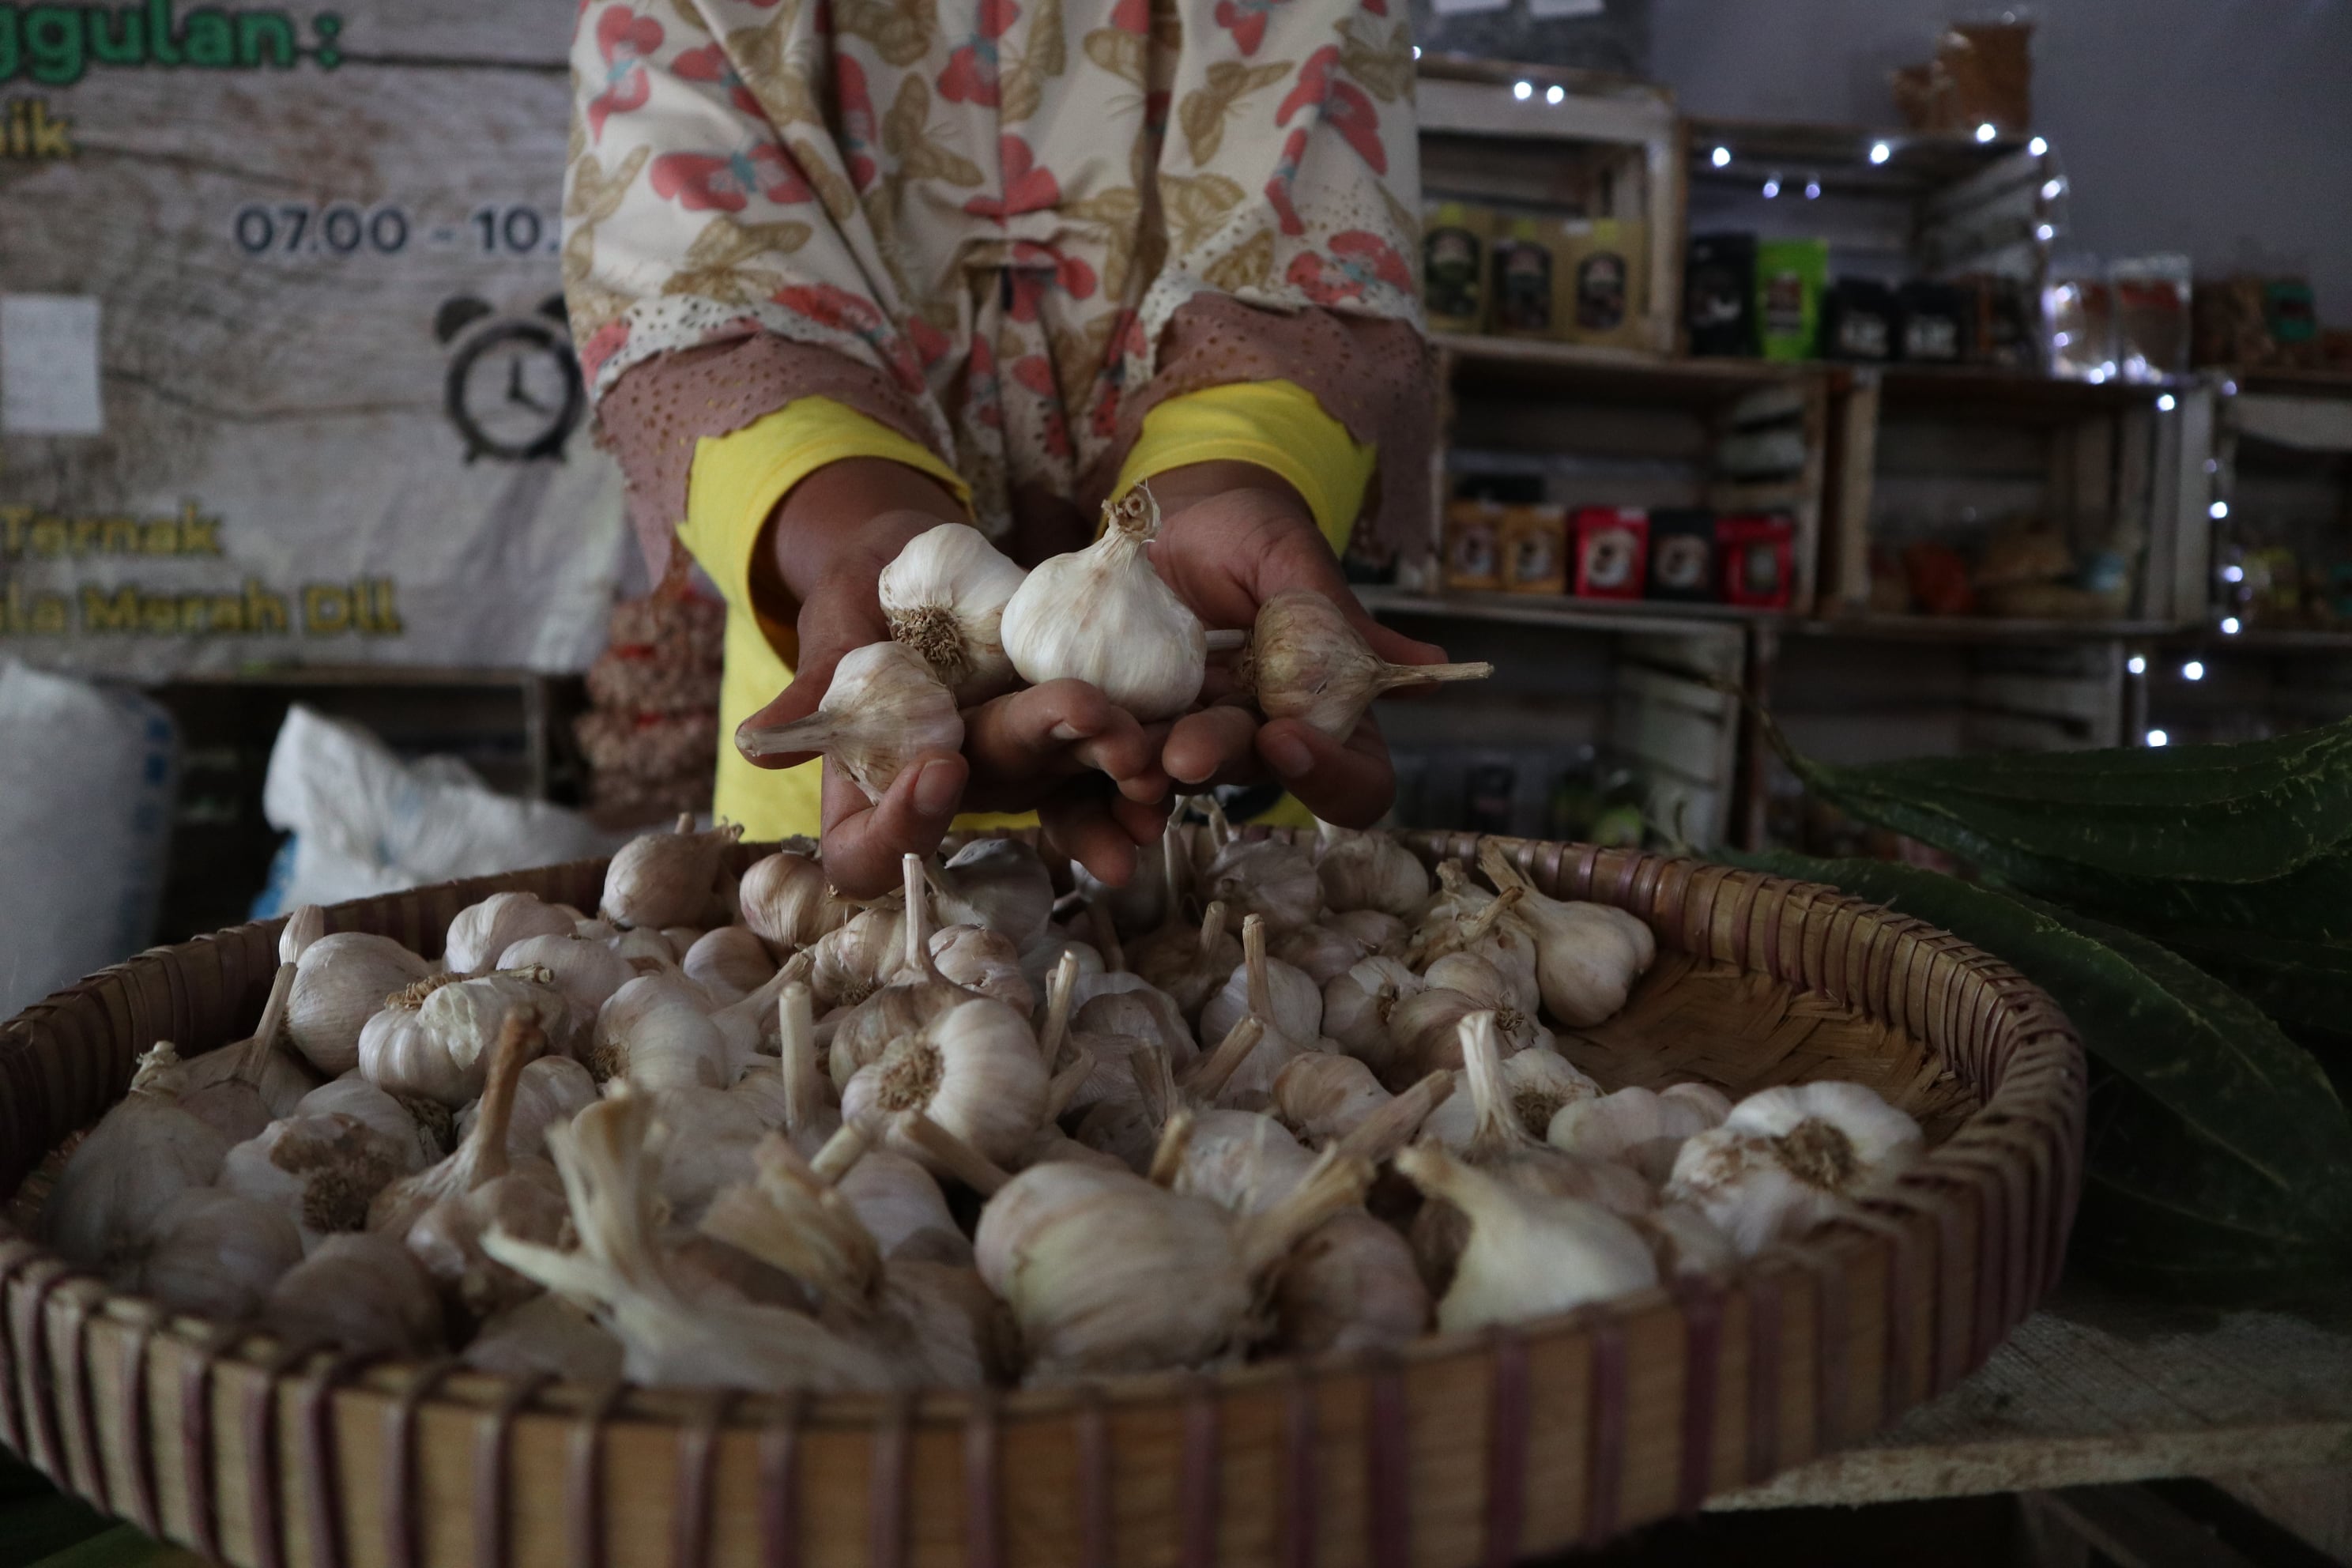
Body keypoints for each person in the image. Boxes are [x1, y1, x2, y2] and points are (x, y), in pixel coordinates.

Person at [567, 0, 1454, 897]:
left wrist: (1206, 495)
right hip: (851, 709)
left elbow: (1309, 257)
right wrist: (856, 542)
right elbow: (698, 292)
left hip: (1207, 733)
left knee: (1226, 979)